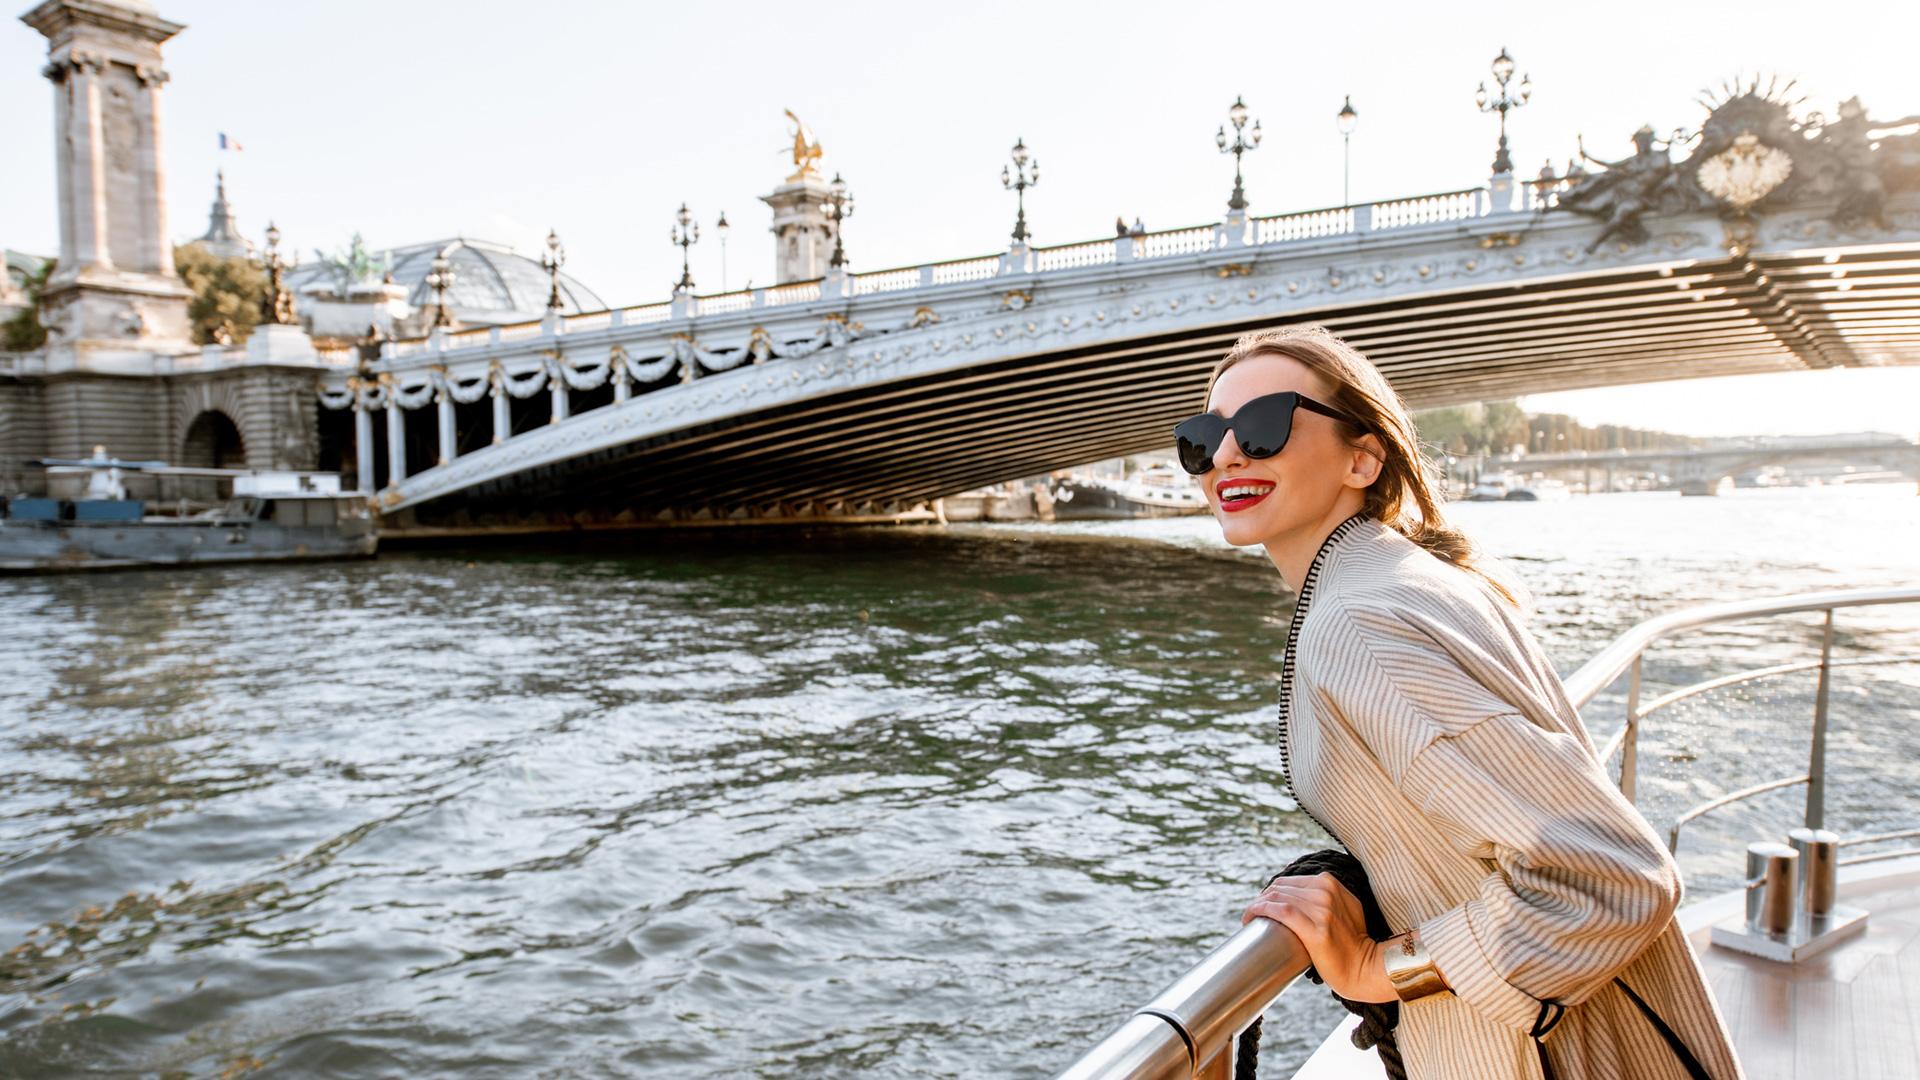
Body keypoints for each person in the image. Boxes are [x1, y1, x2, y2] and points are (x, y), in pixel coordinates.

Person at [1173, 326, 1742, 1078]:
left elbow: (1608, 875)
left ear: (1362, 457)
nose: (1227, 456)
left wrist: (1378, 970)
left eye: (1263, 425)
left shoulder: (1359, 622)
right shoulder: (1405, 576)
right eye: (1202, 438)